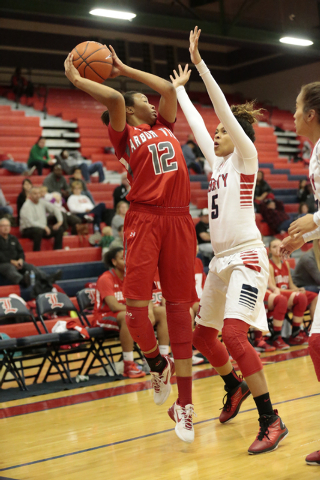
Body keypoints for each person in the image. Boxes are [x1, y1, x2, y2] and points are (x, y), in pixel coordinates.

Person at [64, 44, 198, 443]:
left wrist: (123, 66)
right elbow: (114, 97)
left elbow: (169, 91)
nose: (152, 104)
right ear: (132, 109)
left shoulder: (166, 128)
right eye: (144, 102)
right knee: (136, 307)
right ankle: (157, 363)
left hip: (178, 219)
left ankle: (186, 407)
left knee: (178, 311)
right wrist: (77, 79)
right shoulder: (125, 135)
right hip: (143, 218)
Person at [170, 26, 288, 454]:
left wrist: (201, 65)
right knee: (205, 338)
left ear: (236, 133)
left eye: (224, 130)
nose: (216, 134)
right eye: (217, 132)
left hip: (248, 259)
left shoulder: (245, 159)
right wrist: (181, 92)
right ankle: (234, 386)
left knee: (235, 337)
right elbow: (199, 124)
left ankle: (271, 419)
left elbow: (219, 111)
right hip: (220, 261)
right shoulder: (215, 163)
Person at [280, 81, 320, 465]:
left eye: (295, 107)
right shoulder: (316, 151)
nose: (290, 114)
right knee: (318, 345)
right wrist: (304, 236)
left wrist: (313, 219)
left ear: (311, 115)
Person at [93, 247, 146, 379]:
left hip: (124, 315)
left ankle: (158, 358)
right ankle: (128, 364)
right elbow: (114, 306)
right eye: (123, 258)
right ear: (114, 262)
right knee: (128, 316)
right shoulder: (106, 278)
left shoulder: (133, 277)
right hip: (104, 316)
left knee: (158, 313)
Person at [268, 238, 315, 346]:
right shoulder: (269, 265)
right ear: (269, 250)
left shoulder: (286, 264)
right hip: (276, 294)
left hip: (288, 293)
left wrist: (297, 289)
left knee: (312, 295)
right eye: (274, 247)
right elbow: (273, 287)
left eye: (280, 246)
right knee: (300, 297)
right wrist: (294, 291)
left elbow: (291, 284)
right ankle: (290, 334)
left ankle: (306, 330)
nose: (277, 249)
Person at [0, 217, 62, 288]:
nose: (6, 228)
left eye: (7, 226)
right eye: (3, 226)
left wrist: (20, 259)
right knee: (10, 268)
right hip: (3, 264)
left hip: (16, 262)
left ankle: (47, 278)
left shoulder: (13, 238)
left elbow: (21, 252)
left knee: (29, 266)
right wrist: (12, 262)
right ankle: (22, 281)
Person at [20, 186, 64, 251]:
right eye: (35, 194)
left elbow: (55, 209)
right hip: (28, 229)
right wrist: (44, 227)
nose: (37, 195)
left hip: (42, 228)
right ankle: (36, 252)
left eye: (38, 193)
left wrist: (60, 221)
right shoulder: (26, 206)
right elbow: (30, 222)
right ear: (30, 195)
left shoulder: (42, 202)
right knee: (38, 231)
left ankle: (57, 250)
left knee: (59, 229)